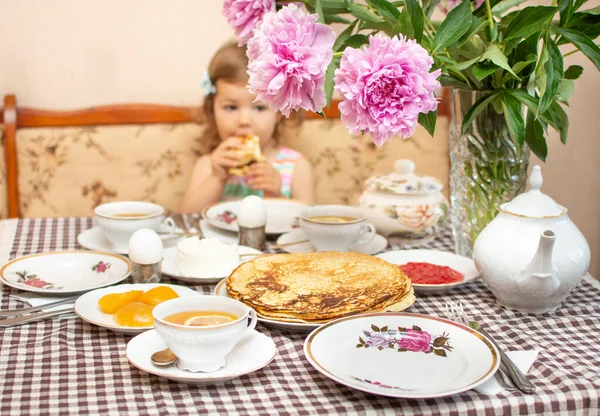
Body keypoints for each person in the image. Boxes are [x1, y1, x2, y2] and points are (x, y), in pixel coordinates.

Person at [180, 41, 315, 213]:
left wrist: (275, 195)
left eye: (259, 108)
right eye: (231, 107)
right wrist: (217, 178)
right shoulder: (209, 165)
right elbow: (185, 216)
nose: (244, 121)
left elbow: (310, 220)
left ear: (279, 112)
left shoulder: (296, 166)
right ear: (212, 110)